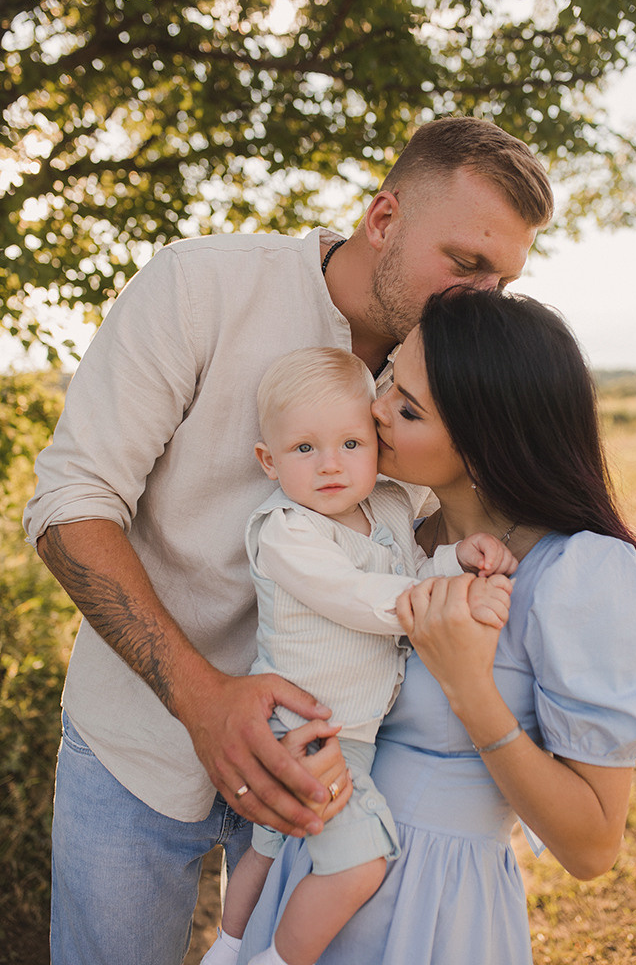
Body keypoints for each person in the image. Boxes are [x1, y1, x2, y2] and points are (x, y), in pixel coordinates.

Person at [22, 117, 554, 965]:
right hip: (138, 739)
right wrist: (202, 701)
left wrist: (597, 541)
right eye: (465, 264)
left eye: (501, 278)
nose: (481, 299)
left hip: (333, 761)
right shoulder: (200, 289)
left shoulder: (446, 371)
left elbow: (454, 515)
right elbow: (69, 506)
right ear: (383, 221)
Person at [238, 287, 636, 965]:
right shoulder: (394, 537)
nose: (374, 411)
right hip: (319, 866)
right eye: (386, 383)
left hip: (434, 902)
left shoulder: (581, 574)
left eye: (405, 408)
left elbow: (591, 849)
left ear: (481, 442)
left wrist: (470, 687)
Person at [203, 346, 516, 965]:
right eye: (303, 449)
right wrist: (448, 596)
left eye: (351, 444)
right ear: (268, 460)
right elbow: (355, 596)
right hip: (307, 727)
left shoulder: (391, 507)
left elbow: (412, 568)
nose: (331, 466)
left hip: (352, 726)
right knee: (360, 861)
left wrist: (457, 558)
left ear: (375, 443)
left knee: (269, 846)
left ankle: (228, 946)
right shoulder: (287, 531)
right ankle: (271, 958)